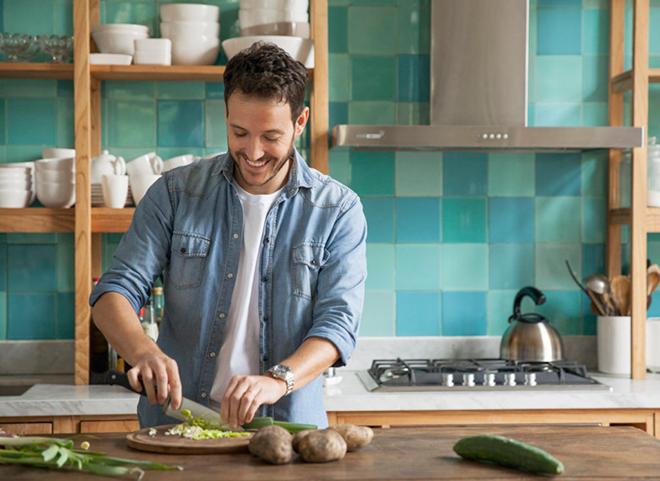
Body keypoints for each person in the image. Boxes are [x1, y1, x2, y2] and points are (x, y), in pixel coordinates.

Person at [89, 42, 368, 430]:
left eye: (271, 136)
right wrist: (143, 352)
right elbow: (113, 292)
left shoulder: (338, 210)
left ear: (300, 121)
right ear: (226, 115)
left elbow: (337, 325)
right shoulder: (174, 194)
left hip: (282, 433)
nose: (253, 152)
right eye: (240, 132)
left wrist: (278, 380)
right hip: (178, 425)